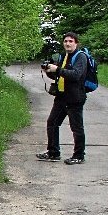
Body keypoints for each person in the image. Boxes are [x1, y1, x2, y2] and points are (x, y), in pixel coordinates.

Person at [37, 32, 88, 165]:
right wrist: (49, 72)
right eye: (65, 41)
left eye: (71, 41)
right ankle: (53, 152)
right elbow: (59, 77)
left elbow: (76, 75)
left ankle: (79, 155)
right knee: (52, 123)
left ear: (76, 43)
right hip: (61, 97)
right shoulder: (64, 56)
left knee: (76, 128)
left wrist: (57, 69)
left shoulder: (80, 57)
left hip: (75, 98)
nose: (67, 43)